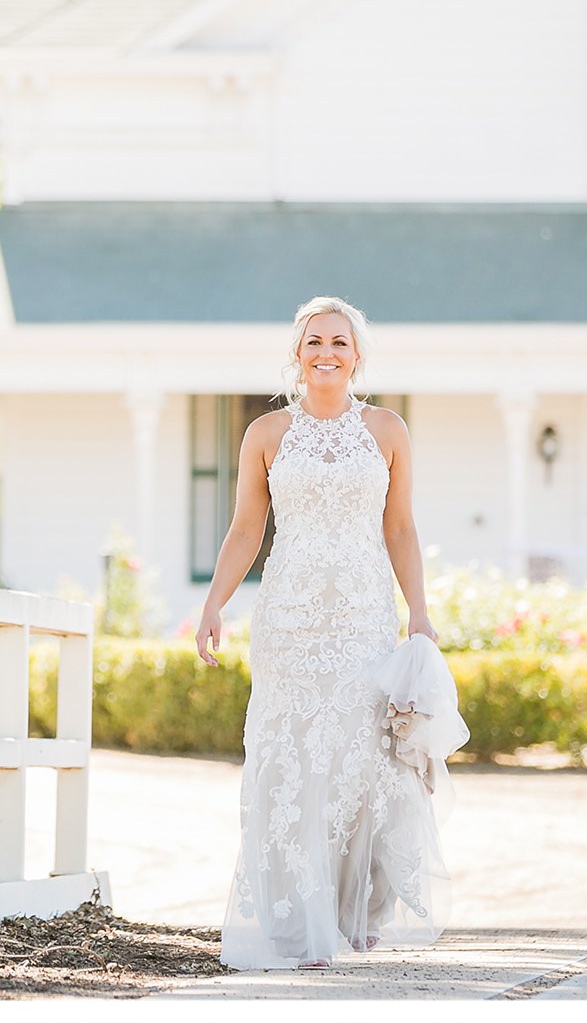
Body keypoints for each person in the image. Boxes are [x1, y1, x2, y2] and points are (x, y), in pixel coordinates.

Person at [194, 295, 452, 969]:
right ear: (298, 353)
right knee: (293, 767)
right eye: (314, 342)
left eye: (339, 342)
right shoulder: (267, 434)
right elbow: (247, 530)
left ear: (357, 355)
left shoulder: (388, 430)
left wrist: (418, 610)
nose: (327, 352)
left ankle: (357, 911)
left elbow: (400, 528)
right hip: (289, 622)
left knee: (364, 762)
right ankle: (299, 925)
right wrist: (214, 603)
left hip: (364, 619)